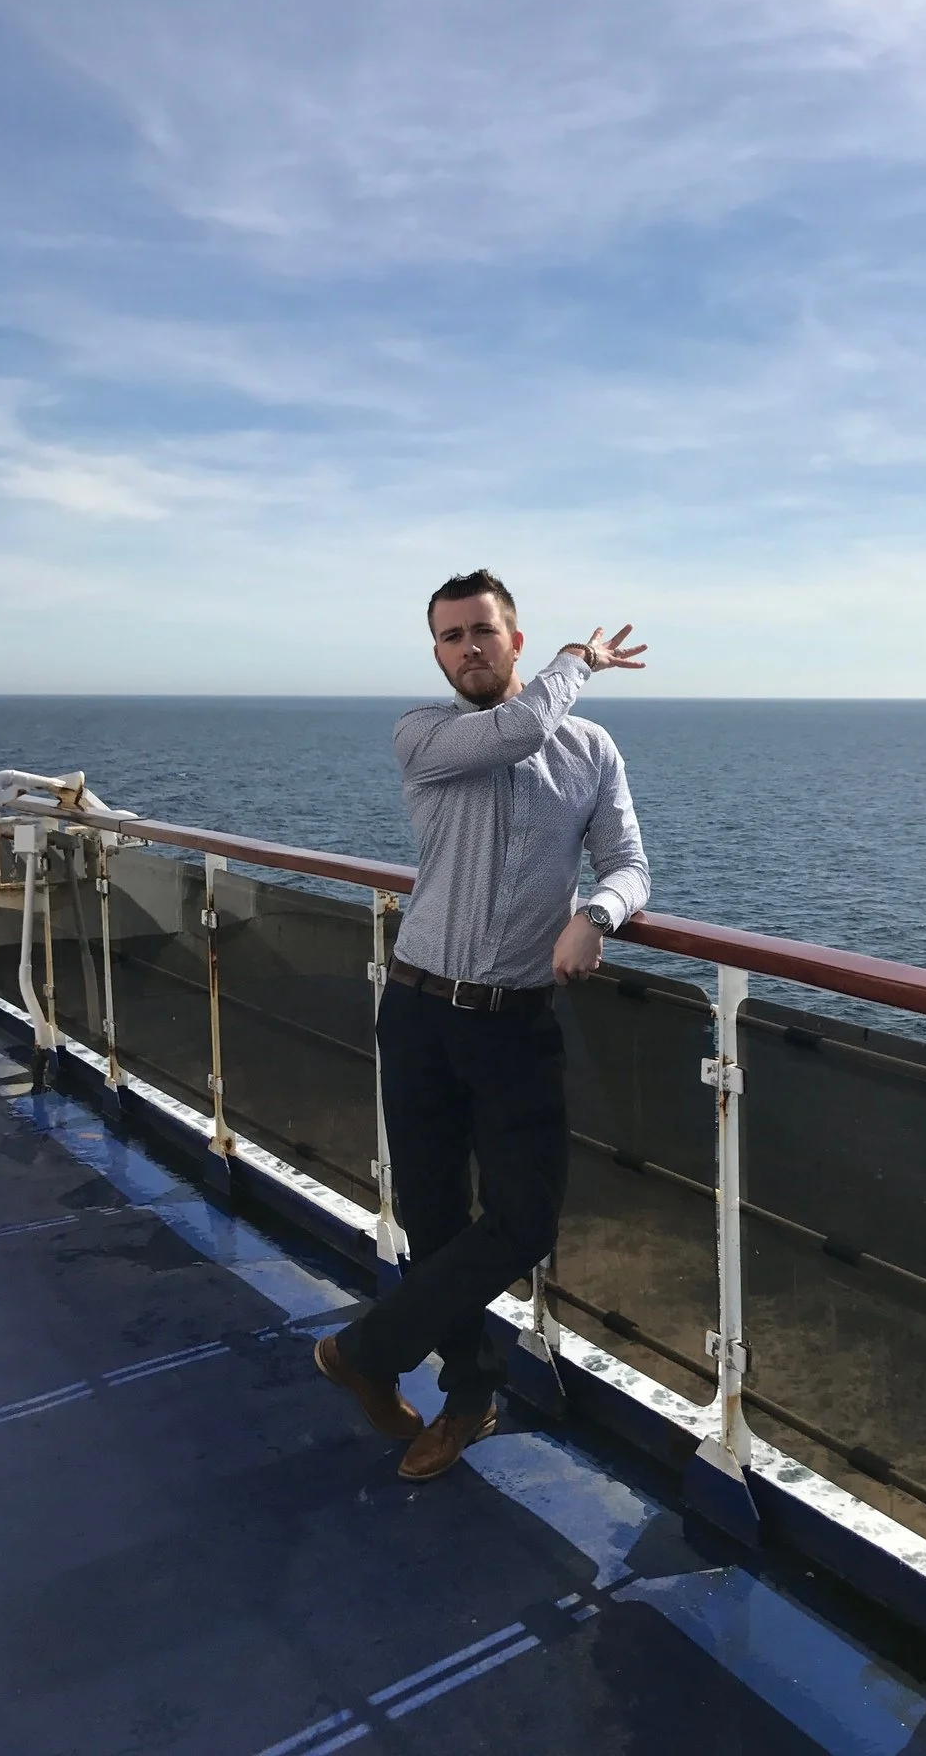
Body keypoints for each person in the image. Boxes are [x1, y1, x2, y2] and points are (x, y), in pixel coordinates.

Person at [315, 568, 650, 1480]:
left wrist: (599, 915)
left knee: (523, 1221)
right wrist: (578, 660)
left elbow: (629, 863)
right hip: (419, 1012)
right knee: (432, 1218)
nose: (469, 647)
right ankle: (470, 1398)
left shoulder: (590, 749)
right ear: (437, 653)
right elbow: (519, 730)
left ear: (513, 638)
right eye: (451, 635)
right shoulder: (425, 734)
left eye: (484, 631)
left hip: (514, 1024)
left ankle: (365, 1354)